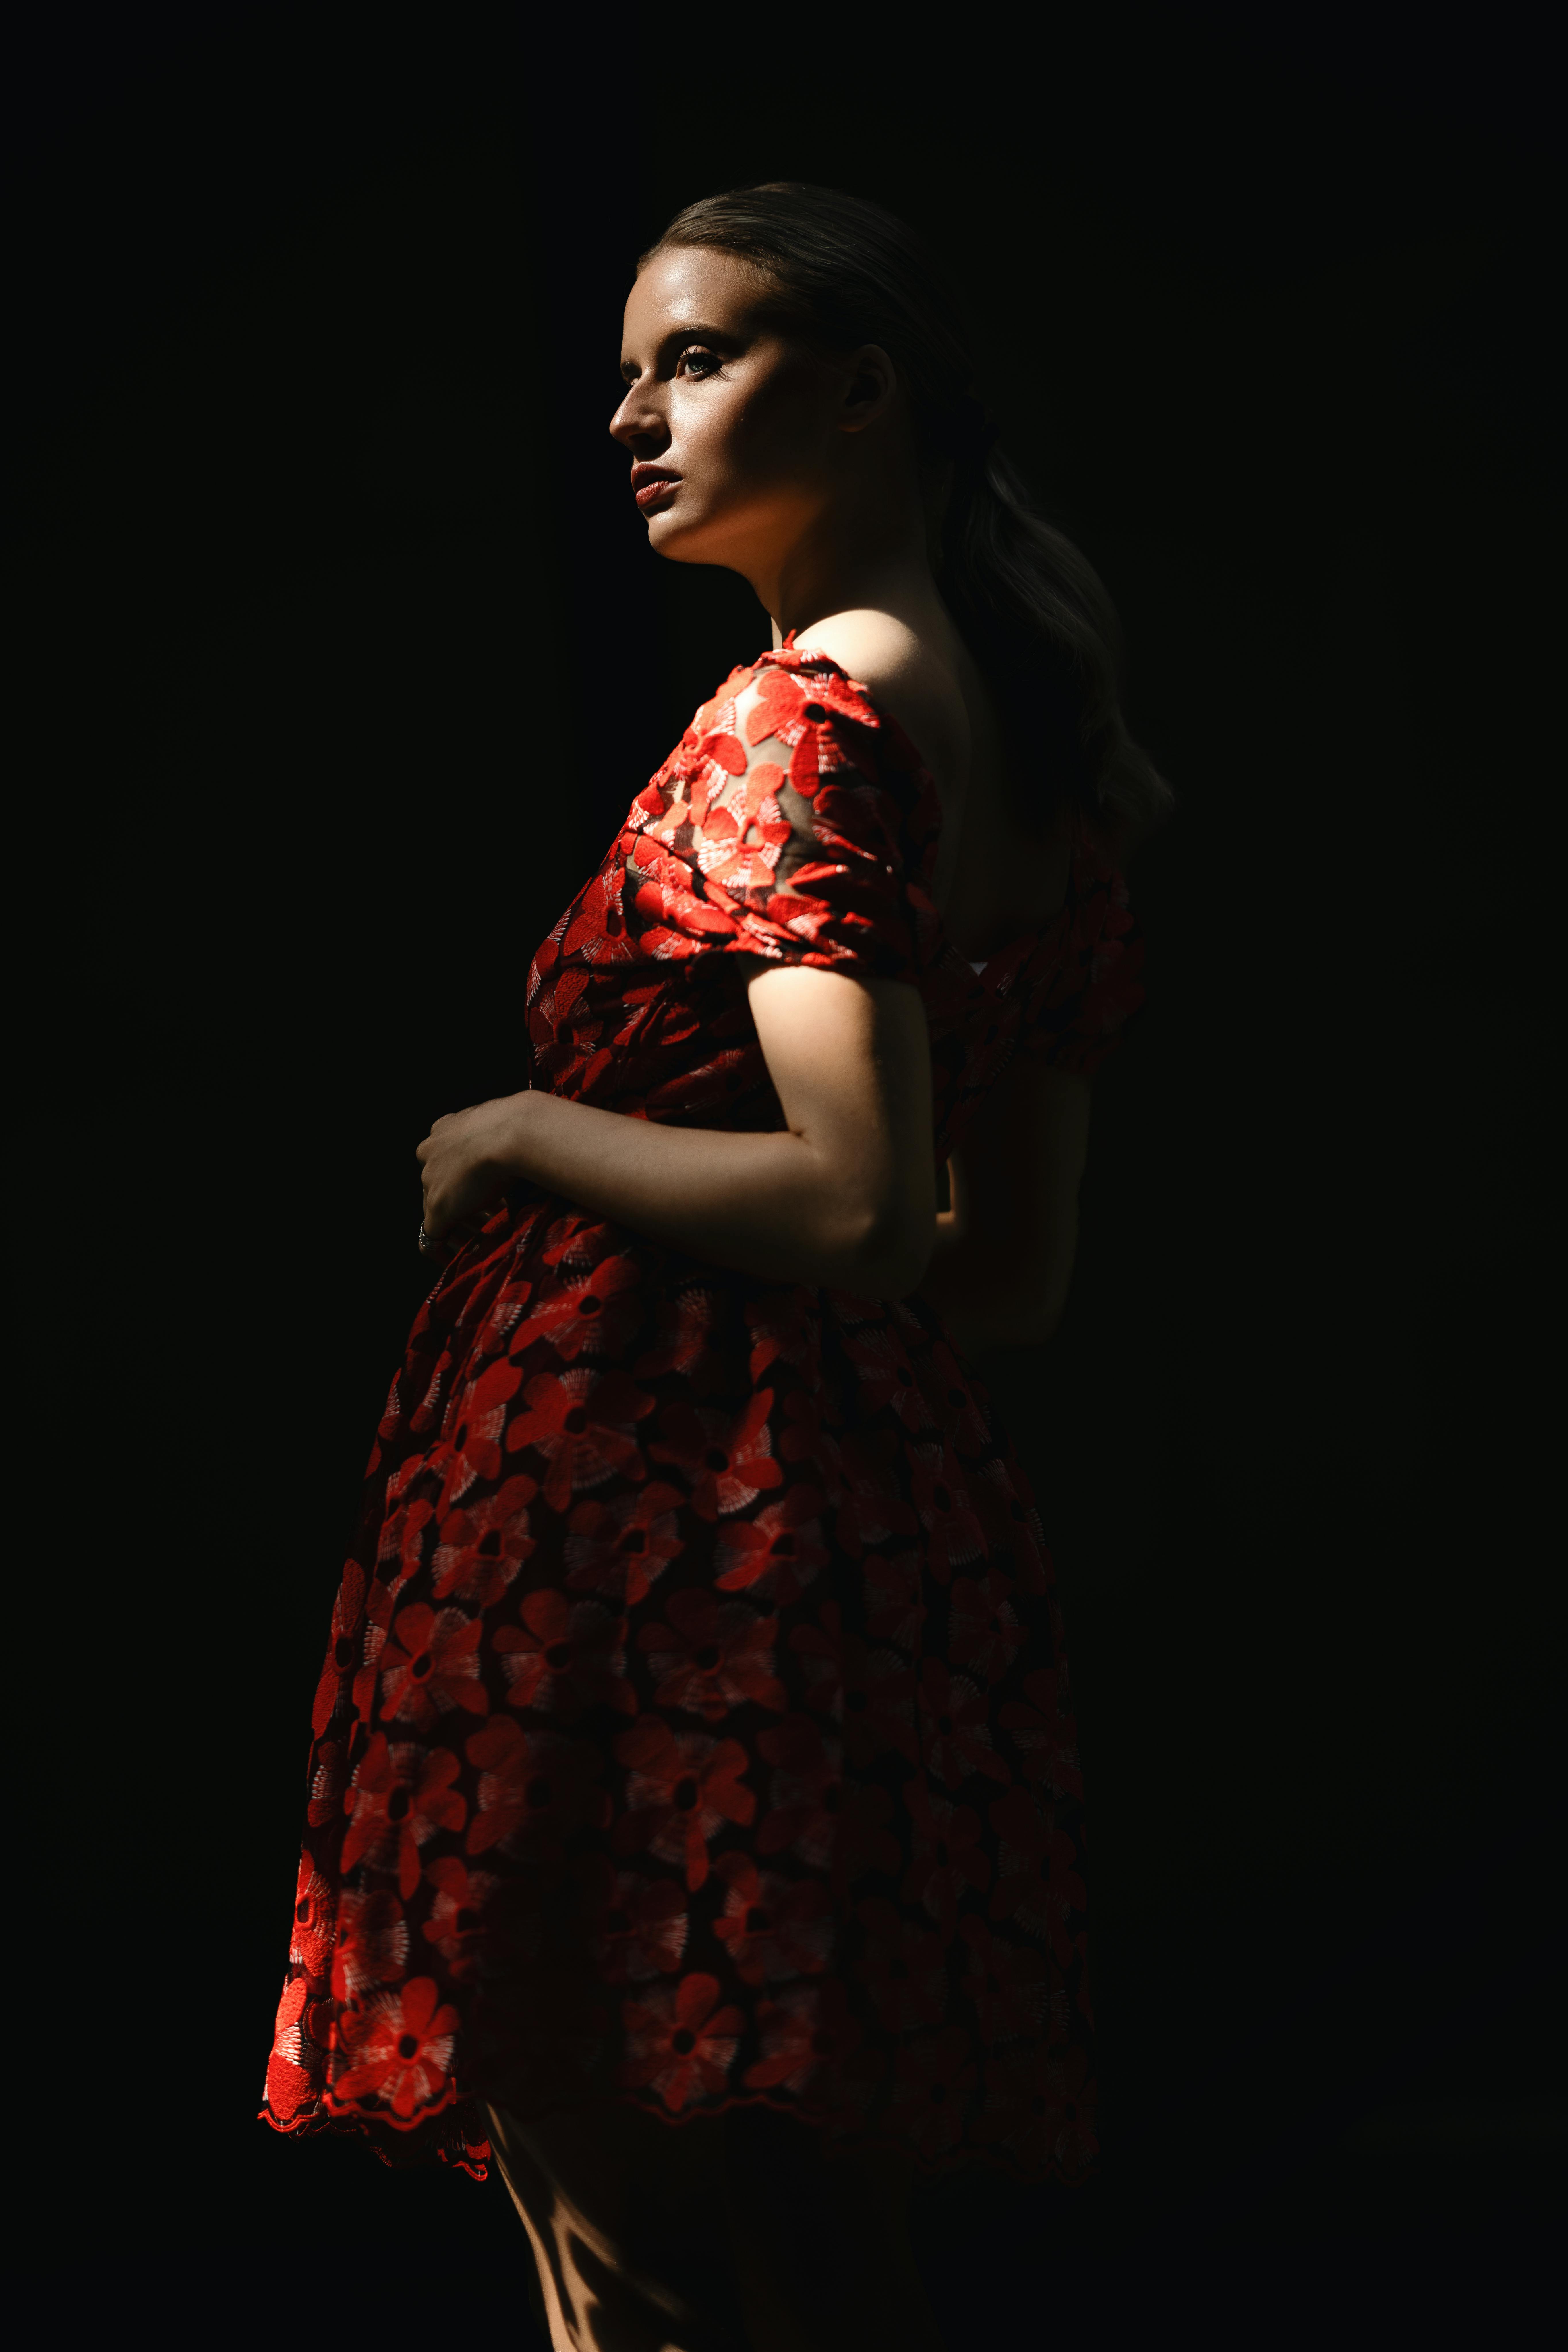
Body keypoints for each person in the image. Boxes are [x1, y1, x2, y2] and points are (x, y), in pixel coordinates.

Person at [261, 181, 1167, 2351]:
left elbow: (861, 1207)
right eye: (627, 370)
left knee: (633, 2254)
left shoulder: (800, 724)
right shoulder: (1042, 770)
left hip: (643, 1535)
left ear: (864, 396)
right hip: (852, 1533)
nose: (629, 417)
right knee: (791, 2242)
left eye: (693, 361)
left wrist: (524, 1132)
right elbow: (1002, 1275)